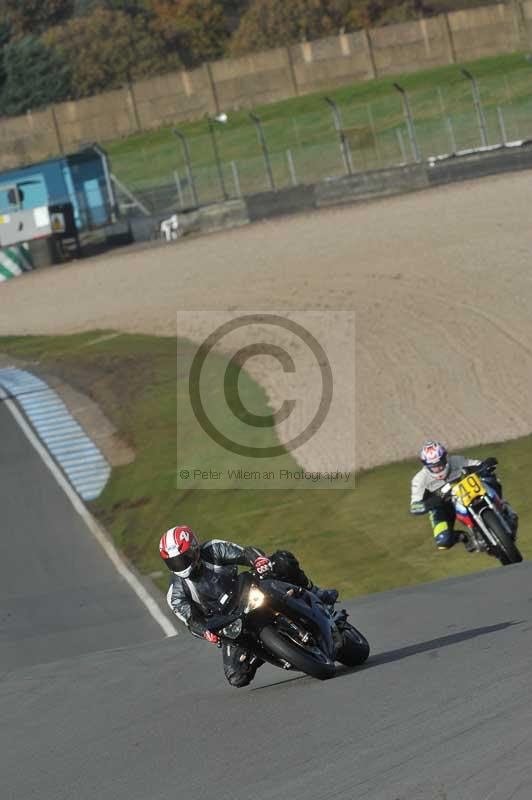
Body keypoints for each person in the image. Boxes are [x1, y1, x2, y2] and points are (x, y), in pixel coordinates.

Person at [159, 526, 339, 688]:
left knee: (282, 561)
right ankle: (267, 650)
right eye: (173, 562)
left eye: (183, 558)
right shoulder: (175, 593)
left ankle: (315, 591)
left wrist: (258, 561)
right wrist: (206, 633)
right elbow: (191, 620)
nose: (180, 565)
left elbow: (244, 553)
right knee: (236, 677)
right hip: (228, 621)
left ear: (194, 549)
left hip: (245, 591)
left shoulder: (212, 549)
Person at [410, 440, 516, 550]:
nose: (438, 469)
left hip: (467, 492)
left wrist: (486, 465)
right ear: (426, 465)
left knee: (489, 478)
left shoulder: (457, 461)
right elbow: (414, 506)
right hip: (442, 506)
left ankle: (502, 507)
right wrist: (427, 504)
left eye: (440, 464)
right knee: (443, 541)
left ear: (446, 458)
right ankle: (465, 538)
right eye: (433, 467)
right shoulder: (419, 480)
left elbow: (478, 465)